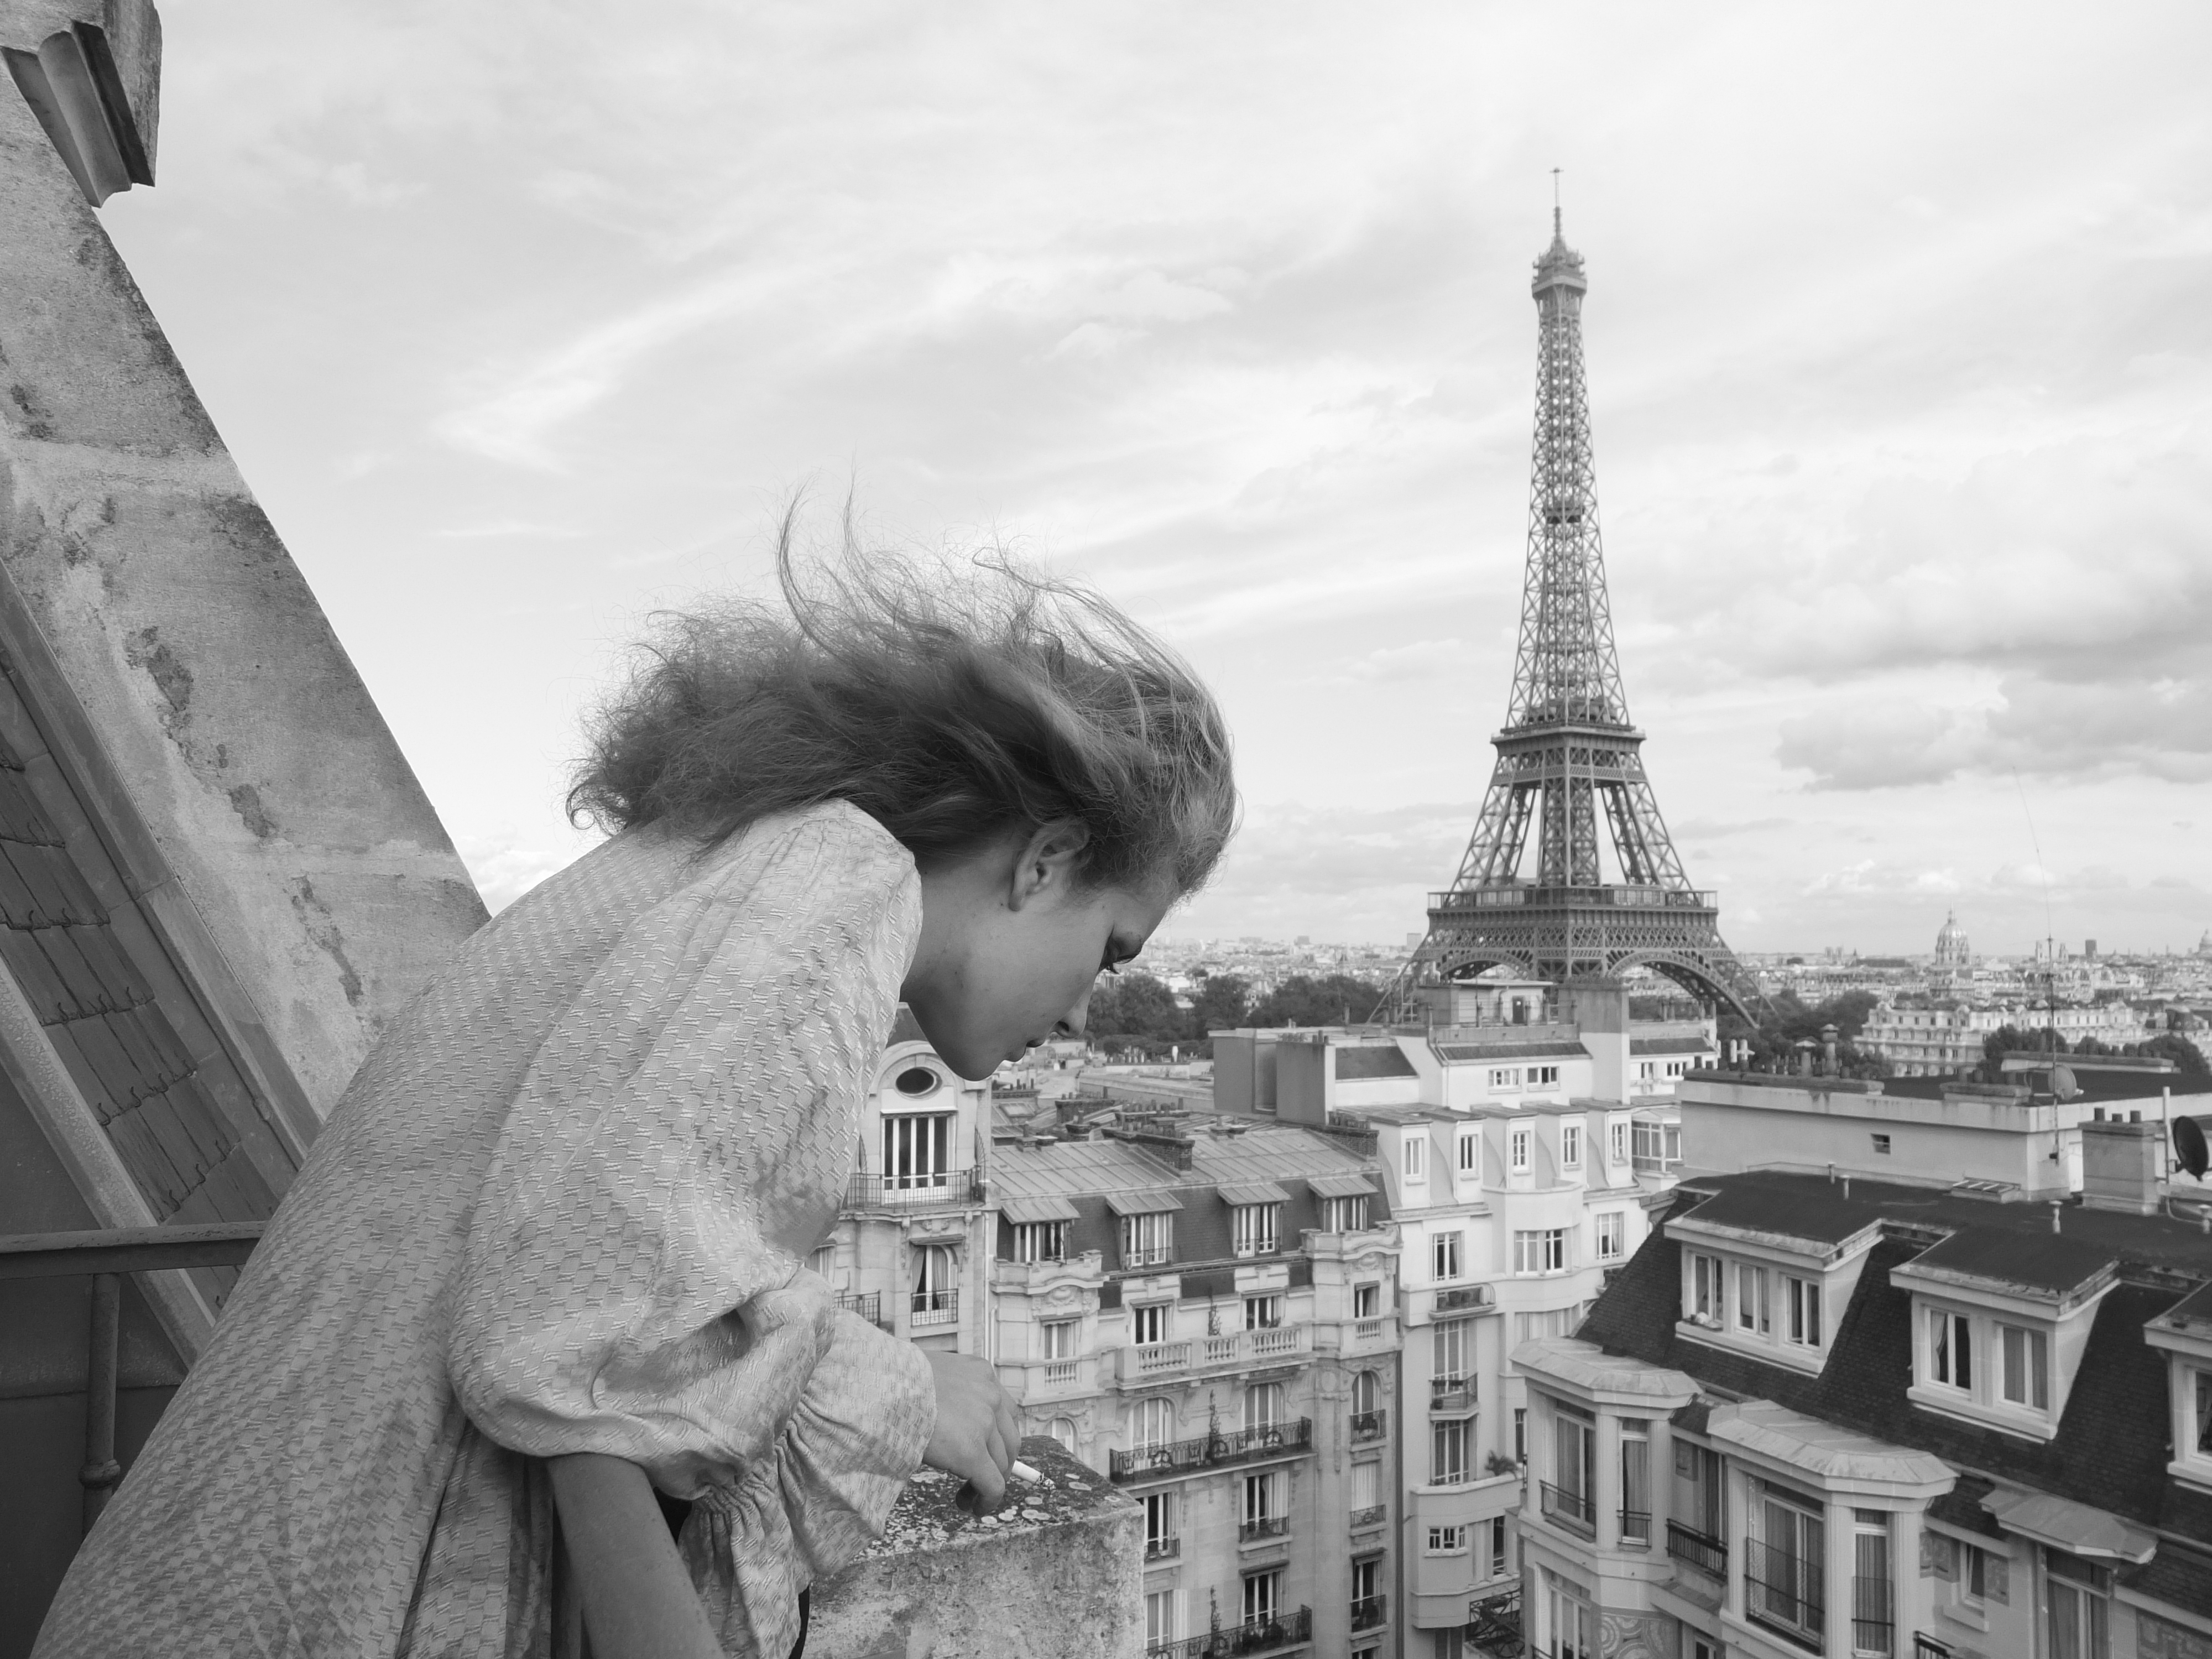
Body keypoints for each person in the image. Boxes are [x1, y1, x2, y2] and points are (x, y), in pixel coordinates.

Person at [33, 533, 1237, 1659]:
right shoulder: (840, 879)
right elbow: (583, 1330)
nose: (1087, 1009)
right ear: (1048, 859)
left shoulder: (735, 857)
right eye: (1113, 950)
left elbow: (609, 1231)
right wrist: (891, 1397)